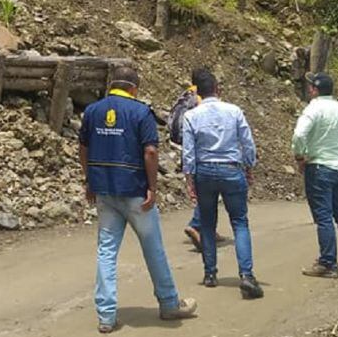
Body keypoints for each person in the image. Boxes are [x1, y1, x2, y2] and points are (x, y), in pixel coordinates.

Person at [79, 65, 197, 333]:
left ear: (112, 85)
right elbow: (151, 153)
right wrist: (153, 188)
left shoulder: (93, 111)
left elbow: (83, 148)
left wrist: (89, 180)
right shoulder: (141, 112)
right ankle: (169, 304)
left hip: (105, 192)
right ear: (134, 87)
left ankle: (106, 316)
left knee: (106, 252)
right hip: (135, 193)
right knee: (153, 247)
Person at [181, 68, 264, 299]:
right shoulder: (234, 111)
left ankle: (210, 274)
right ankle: (246, 275)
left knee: (207, 223)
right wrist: (249, 167)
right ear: (218, 89)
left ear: (198, 92)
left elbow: (188, 152)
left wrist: (190, 180)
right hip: (230, 168)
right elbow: (247, 143)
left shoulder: (191, 116)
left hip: (204, 172)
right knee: (239, 222)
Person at [292, 73, 338, 278]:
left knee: (323, 217)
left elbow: (299, 135)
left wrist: (299, 156)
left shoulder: (313, 109)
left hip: (320, 168)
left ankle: (327, 263)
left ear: (314, 90)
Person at [168, 83, 229, 250]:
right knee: (209, 193)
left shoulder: (188, 95)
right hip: (205, 154)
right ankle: (196, 225)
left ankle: (209, 230)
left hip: (191, 151)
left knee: (207, 192)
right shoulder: (204, 103)